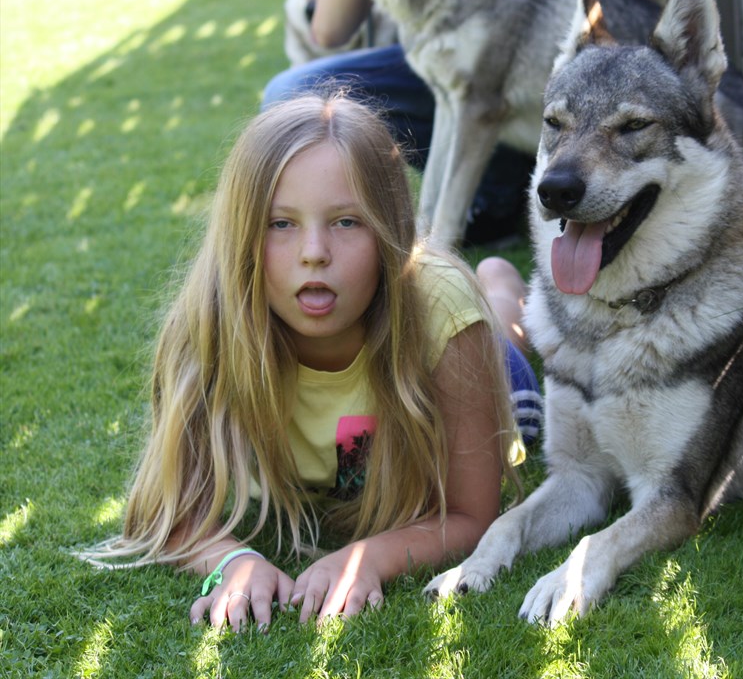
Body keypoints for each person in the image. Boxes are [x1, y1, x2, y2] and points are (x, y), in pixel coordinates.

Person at [82, 92, 540, 632]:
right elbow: (167, 510)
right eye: (281, 223)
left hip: (481, 369)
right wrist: (234, 561)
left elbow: (471, 515)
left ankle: (500, 288)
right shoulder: (209, 321)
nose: (314, 252)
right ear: (241, 234)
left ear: (390, 232)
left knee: (508, 343)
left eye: (346, 222)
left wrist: (370, 557)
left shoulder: (447, 320)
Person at [261, 0, 612, 246]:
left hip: (558, 93)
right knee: (293, 94)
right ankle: (438, 223)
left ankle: (488, 205)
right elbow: (329, 28)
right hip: (465, 81)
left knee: (473, 94)